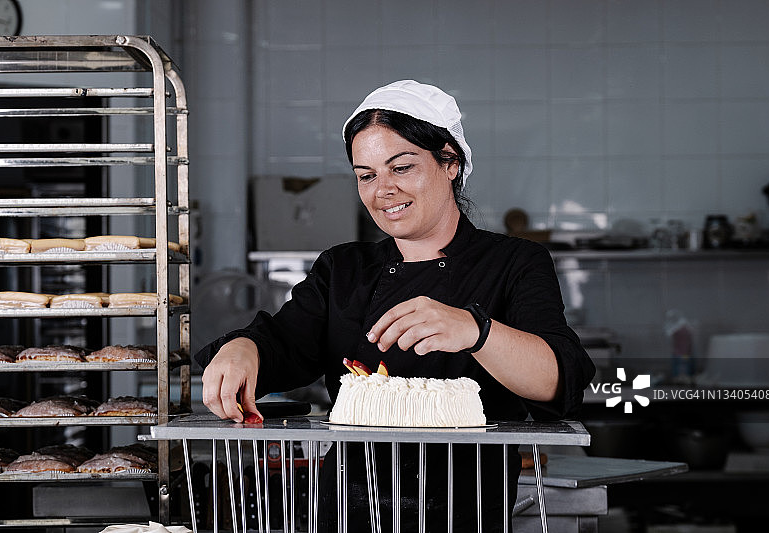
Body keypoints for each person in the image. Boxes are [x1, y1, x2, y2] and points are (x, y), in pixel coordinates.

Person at [196, 79, 595, 532]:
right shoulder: (343, 268)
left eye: (401, 168)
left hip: (464, 509)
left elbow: (559, 381)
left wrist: (475, 330)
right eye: (366, 175)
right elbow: (284, 344)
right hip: (347, 507)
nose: (382, 190)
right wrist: (245, 347)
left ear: (450, 161)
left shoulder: (514, 263)